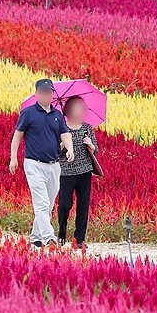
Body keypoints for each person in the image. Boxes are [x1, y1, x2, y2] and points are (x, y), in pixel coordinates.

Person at [10, 79, 73, 248]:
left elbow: (65, 134)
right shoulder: (28, 113)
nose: (46, 95)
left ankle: (35, 236)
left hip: (54, 165)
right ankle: (48, 237)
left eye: (49, 92)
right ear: (37, 93)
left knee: (49, 204)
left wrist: (70, 149)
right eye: (43, 92)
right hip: (34, 164)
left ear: (52, 94)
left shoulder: (57, 115)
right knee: (42, 203)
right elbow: (18, 135)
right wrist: (13, 157)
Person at [57, 96, 99, 250]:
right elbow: (54, 152)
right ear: (68, 110)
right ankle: (61, 236)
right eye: (76, 107)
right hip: (66, 172)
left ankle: (79, 240)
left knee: (83, 205)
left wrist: (91, 145)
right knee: (64, 205)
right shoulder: (61, 128)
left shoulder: (87, 128)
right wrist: (62, 145)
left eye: (81, 107)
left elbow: (97, 150)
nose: (80, 110)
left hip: (84, 172)